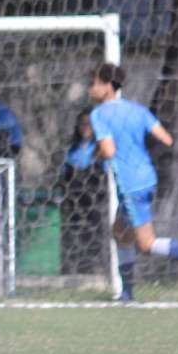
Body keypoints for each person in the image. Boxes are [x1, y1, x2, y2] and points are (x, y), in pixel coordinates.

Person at [87, 62, 178, 301]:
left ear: (108, 86)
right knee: (120, 231)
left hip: (130, 184)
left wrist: (96, 155)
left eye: (95, 83)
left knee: (146, 244)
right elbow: (166, 139)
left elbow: (108, 151)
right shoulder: (137, 110)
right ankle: (127, 294)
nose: (91, 88)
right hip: (147, 177)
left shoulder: (99, 114)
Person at [55, 110, 107, 275]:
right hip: (74, 199)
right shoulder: (71, 150)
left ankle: (94, 267)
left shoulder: (100, 149)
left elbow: (107, 174)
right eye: (82, 124)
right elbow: (63, 175)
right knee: (73, 231)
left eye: (89, 124)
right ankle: (73, 267)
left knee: (93, 231)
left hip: (94, 199)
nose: (85, 127)